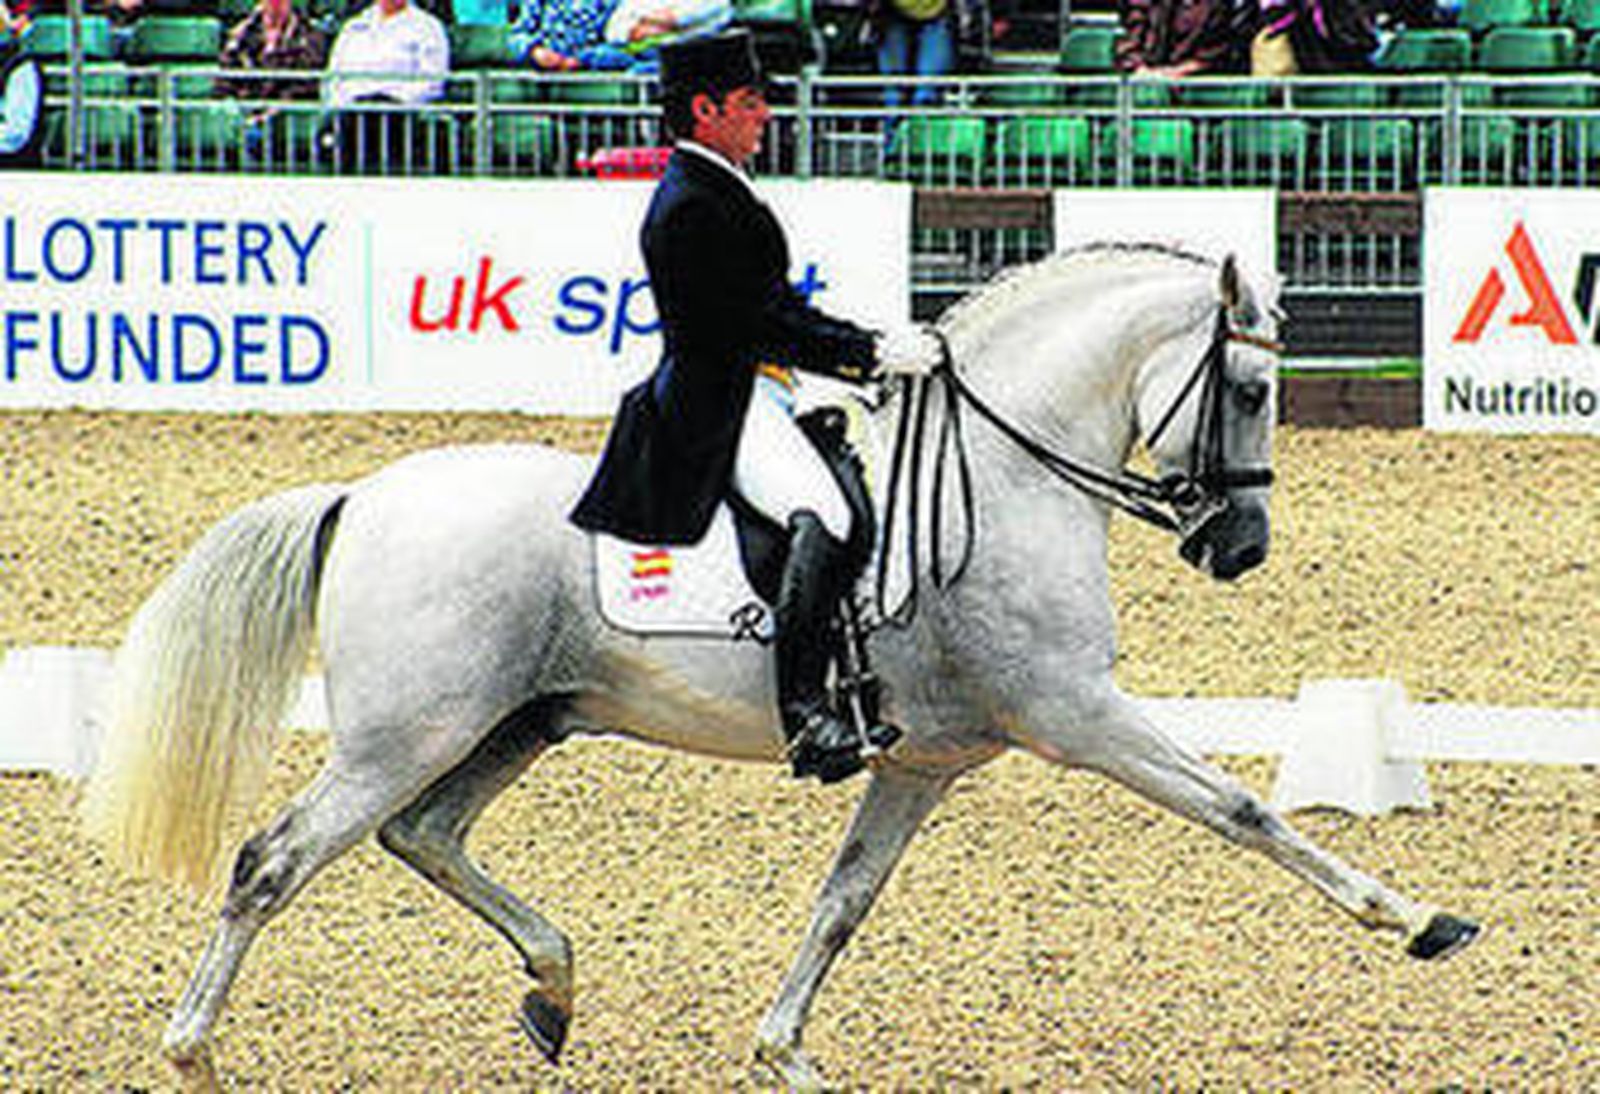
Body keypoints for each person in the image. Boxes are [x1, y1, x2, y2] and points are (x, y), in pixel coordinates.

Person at [569, 30, 942, 785]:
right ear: (704, 110)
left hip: (760, 386)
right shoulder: (689, 204)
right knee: (827, 517)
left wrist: (856, 354)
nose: (765, 113)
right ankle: (805, 712)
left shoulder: (721, 188)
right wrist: (868, 350)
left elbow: (775, 308)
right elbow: (753, 323)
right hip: (718, 402)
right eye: (749, 102)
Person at [324, 0, 449, 172]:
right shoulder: (353, 27)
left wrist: (393, 101)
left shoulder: (427, 28)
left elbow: (432, 81)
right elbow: (334, 77)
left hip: (400, 115)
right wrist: (345, 103)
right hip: (352, 113)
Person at [219, 0, 329, 160]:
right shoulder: (240, 36)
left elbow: (305, 84)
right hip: (246, 119)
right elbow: (225, 79)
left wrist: (270, 113)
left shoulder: (311, 37)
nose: (275, 3)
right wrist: (241, 110)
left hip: (288, 127)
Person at [867, 0, 981, 109]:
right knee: (895, 94)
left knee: (925, 93)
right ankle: (897, 125)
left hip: (937, 16)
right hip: (891, 17)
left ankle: (917, 124)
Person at [1115, 0, 1254, 77]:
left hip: (1200, 91)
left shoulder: (1219, 8)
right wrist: (1141, 70)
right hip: (1150, 83)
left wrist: (1176, 72)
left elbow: (1221, 52)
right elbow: (1130, 43)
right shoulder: (1143, 7)